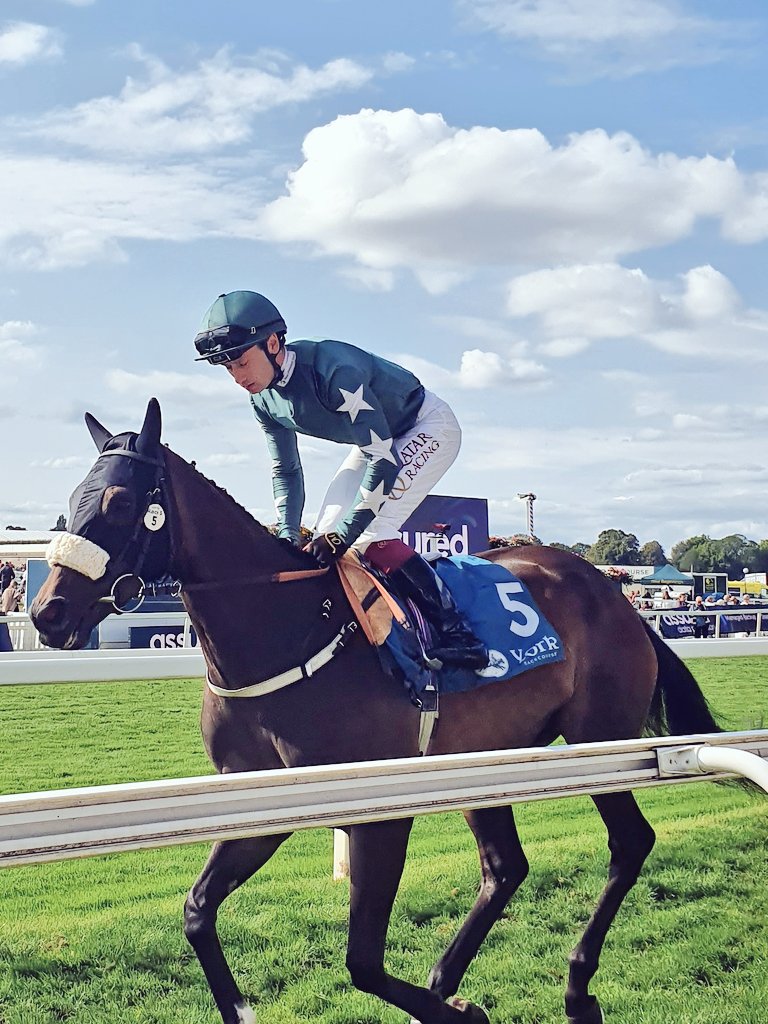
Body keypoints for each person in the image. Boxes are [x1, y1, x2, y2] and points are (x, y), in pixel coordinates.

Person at [194, 289, 488, 670]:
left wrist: (342, 537)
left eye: (241, 362)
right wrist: (287, 534)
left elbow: (384, 463)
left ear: (271, 343)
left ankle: (459, 634)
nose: (237, 378)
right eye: (227, 368)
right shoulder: (263, 400)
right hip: (374, 442)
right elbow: (286, 470)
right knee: (325, 531)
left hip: (424, 426)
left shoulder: (334, 371)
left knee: (368, 534)